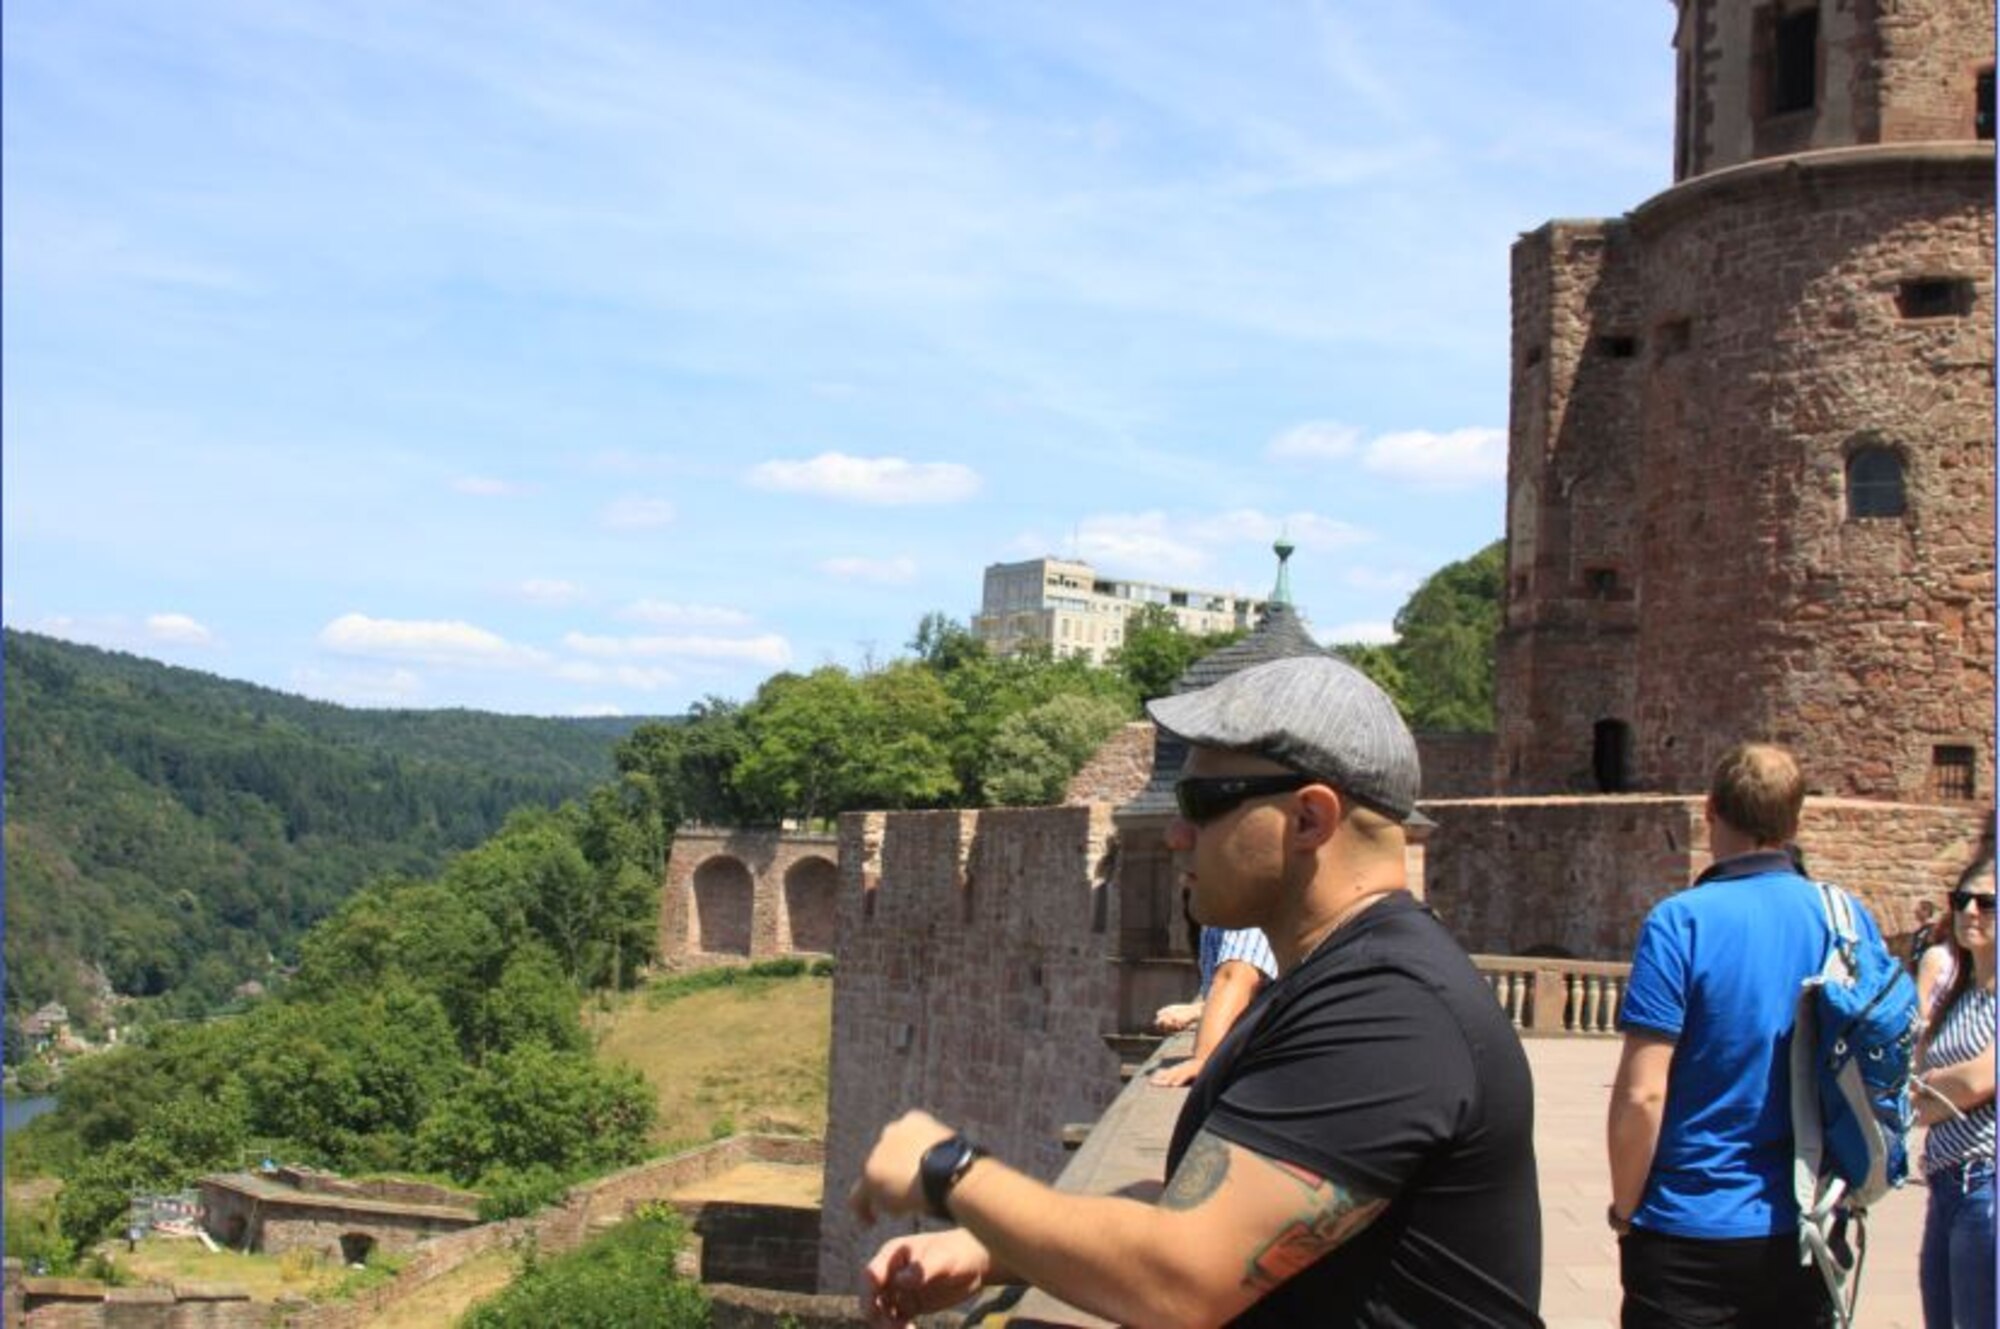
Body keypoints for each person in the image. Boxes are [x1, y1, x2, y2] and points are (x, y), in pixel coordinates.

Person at [850, 655, 1543, 1328]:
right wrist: (993, 1246)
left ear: (1309, 819)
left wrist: (951, 1171)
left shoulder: (1392, 1010)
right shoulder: (1323, 980)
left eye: (1202, 802)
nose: (1176, 833)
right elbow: (1215, 1202)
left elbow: (1180, 1282)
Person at [1607, 742, 1886, 1328]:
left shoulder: (1680, 922)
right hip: (1805, 1217)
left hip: (1688, 1225)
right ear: (1795, 820)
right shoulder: (1846, 919)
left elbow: (1642, 1094)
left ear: (1710, 811)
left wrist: (1626, 1209)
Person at [1912, 849, 1995, 1329]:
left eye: (1986, 903)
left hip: (1986, 1184)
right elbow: (1920, 1086)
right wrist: (1939, 1091)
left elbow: (1978, 1080)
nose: (1968, 912)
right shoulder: (1958, 997)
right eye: (1961, 899)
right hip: (1944, 1183)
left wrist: (1931, 1090)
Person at [1150, 924, 1277, 1089]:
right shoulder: (1220, 916)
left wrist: (1205, 1059)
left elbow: (1236, 975)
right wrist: (1202, 1009)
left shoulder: (1244, 911)